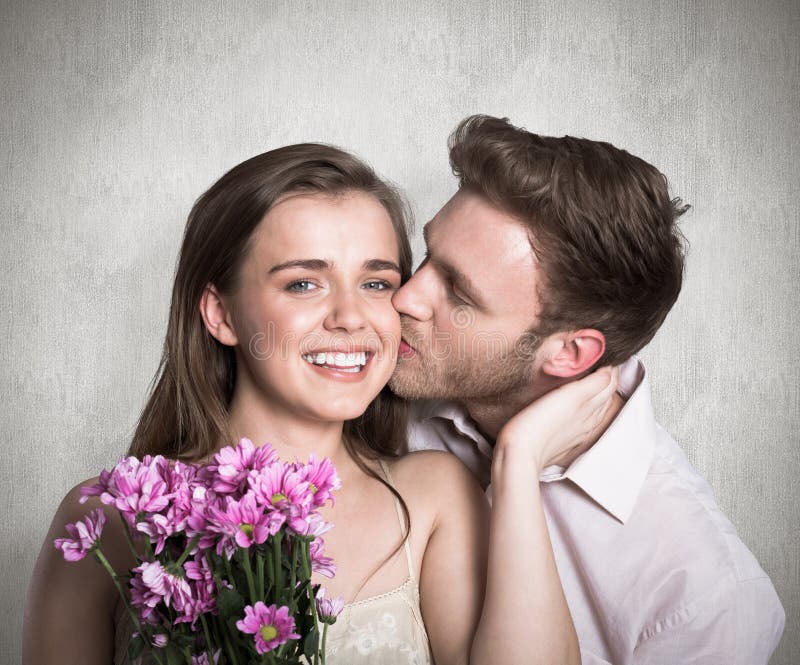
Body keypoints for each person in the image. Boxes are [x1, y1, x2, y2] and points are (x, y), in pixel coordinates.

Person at [24, 143, 615, 665]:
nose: (351, 317)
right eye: (303, 283)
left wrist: (518, 460)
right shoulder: (105, 522)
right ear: (221, 313)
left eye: (377, 282)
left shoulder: (434, 496)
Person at [390, 114, 786, 664]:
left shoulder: (707, 598)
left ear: (569, 354)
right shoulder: (388, 389)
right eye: (428, 256)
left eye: (458, 292)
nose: (404, 298)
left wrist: (516, 462)